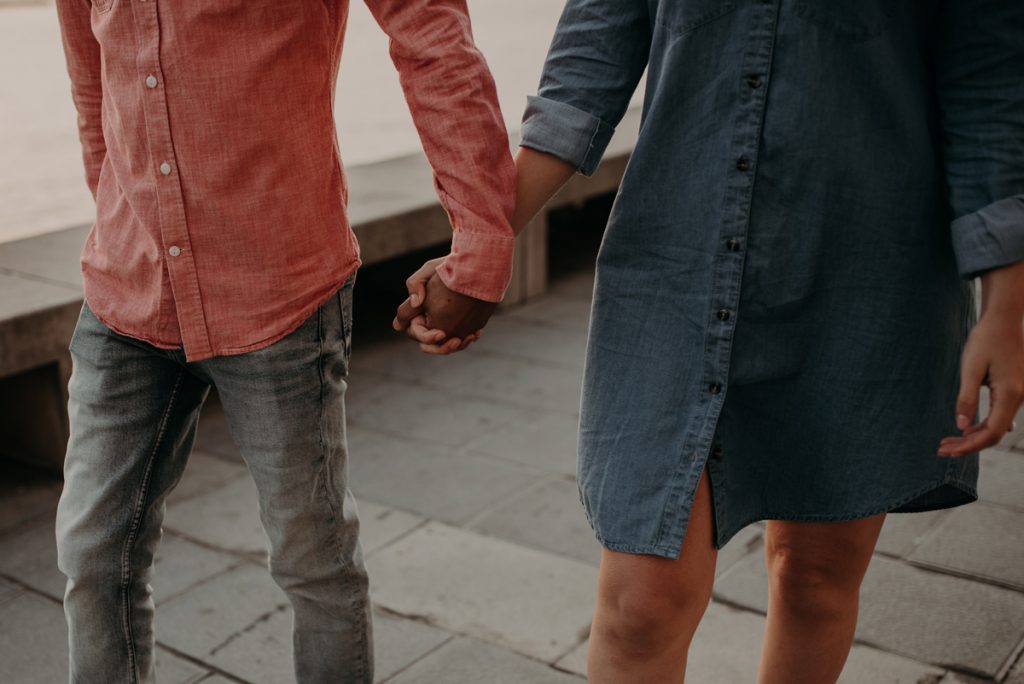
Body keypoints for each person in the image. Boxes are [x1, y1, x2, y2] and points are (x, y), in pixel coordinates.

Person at [396, 1, 1024, 681]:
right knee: (642, 604)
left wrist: (1006, 305)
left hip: (867, 269)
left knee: (814, 576)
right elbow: (585, 70)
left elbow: (990, 88)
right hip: (675, 267)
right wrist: (482, 246)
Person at [52, 1, 515, 681]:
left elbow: (431, 36)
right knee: (93, 559)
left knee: (314, 564)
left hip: (276, 289)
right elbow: (91, 79)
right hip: (127, 291)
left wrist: (479, 244)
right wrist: (117, 212)